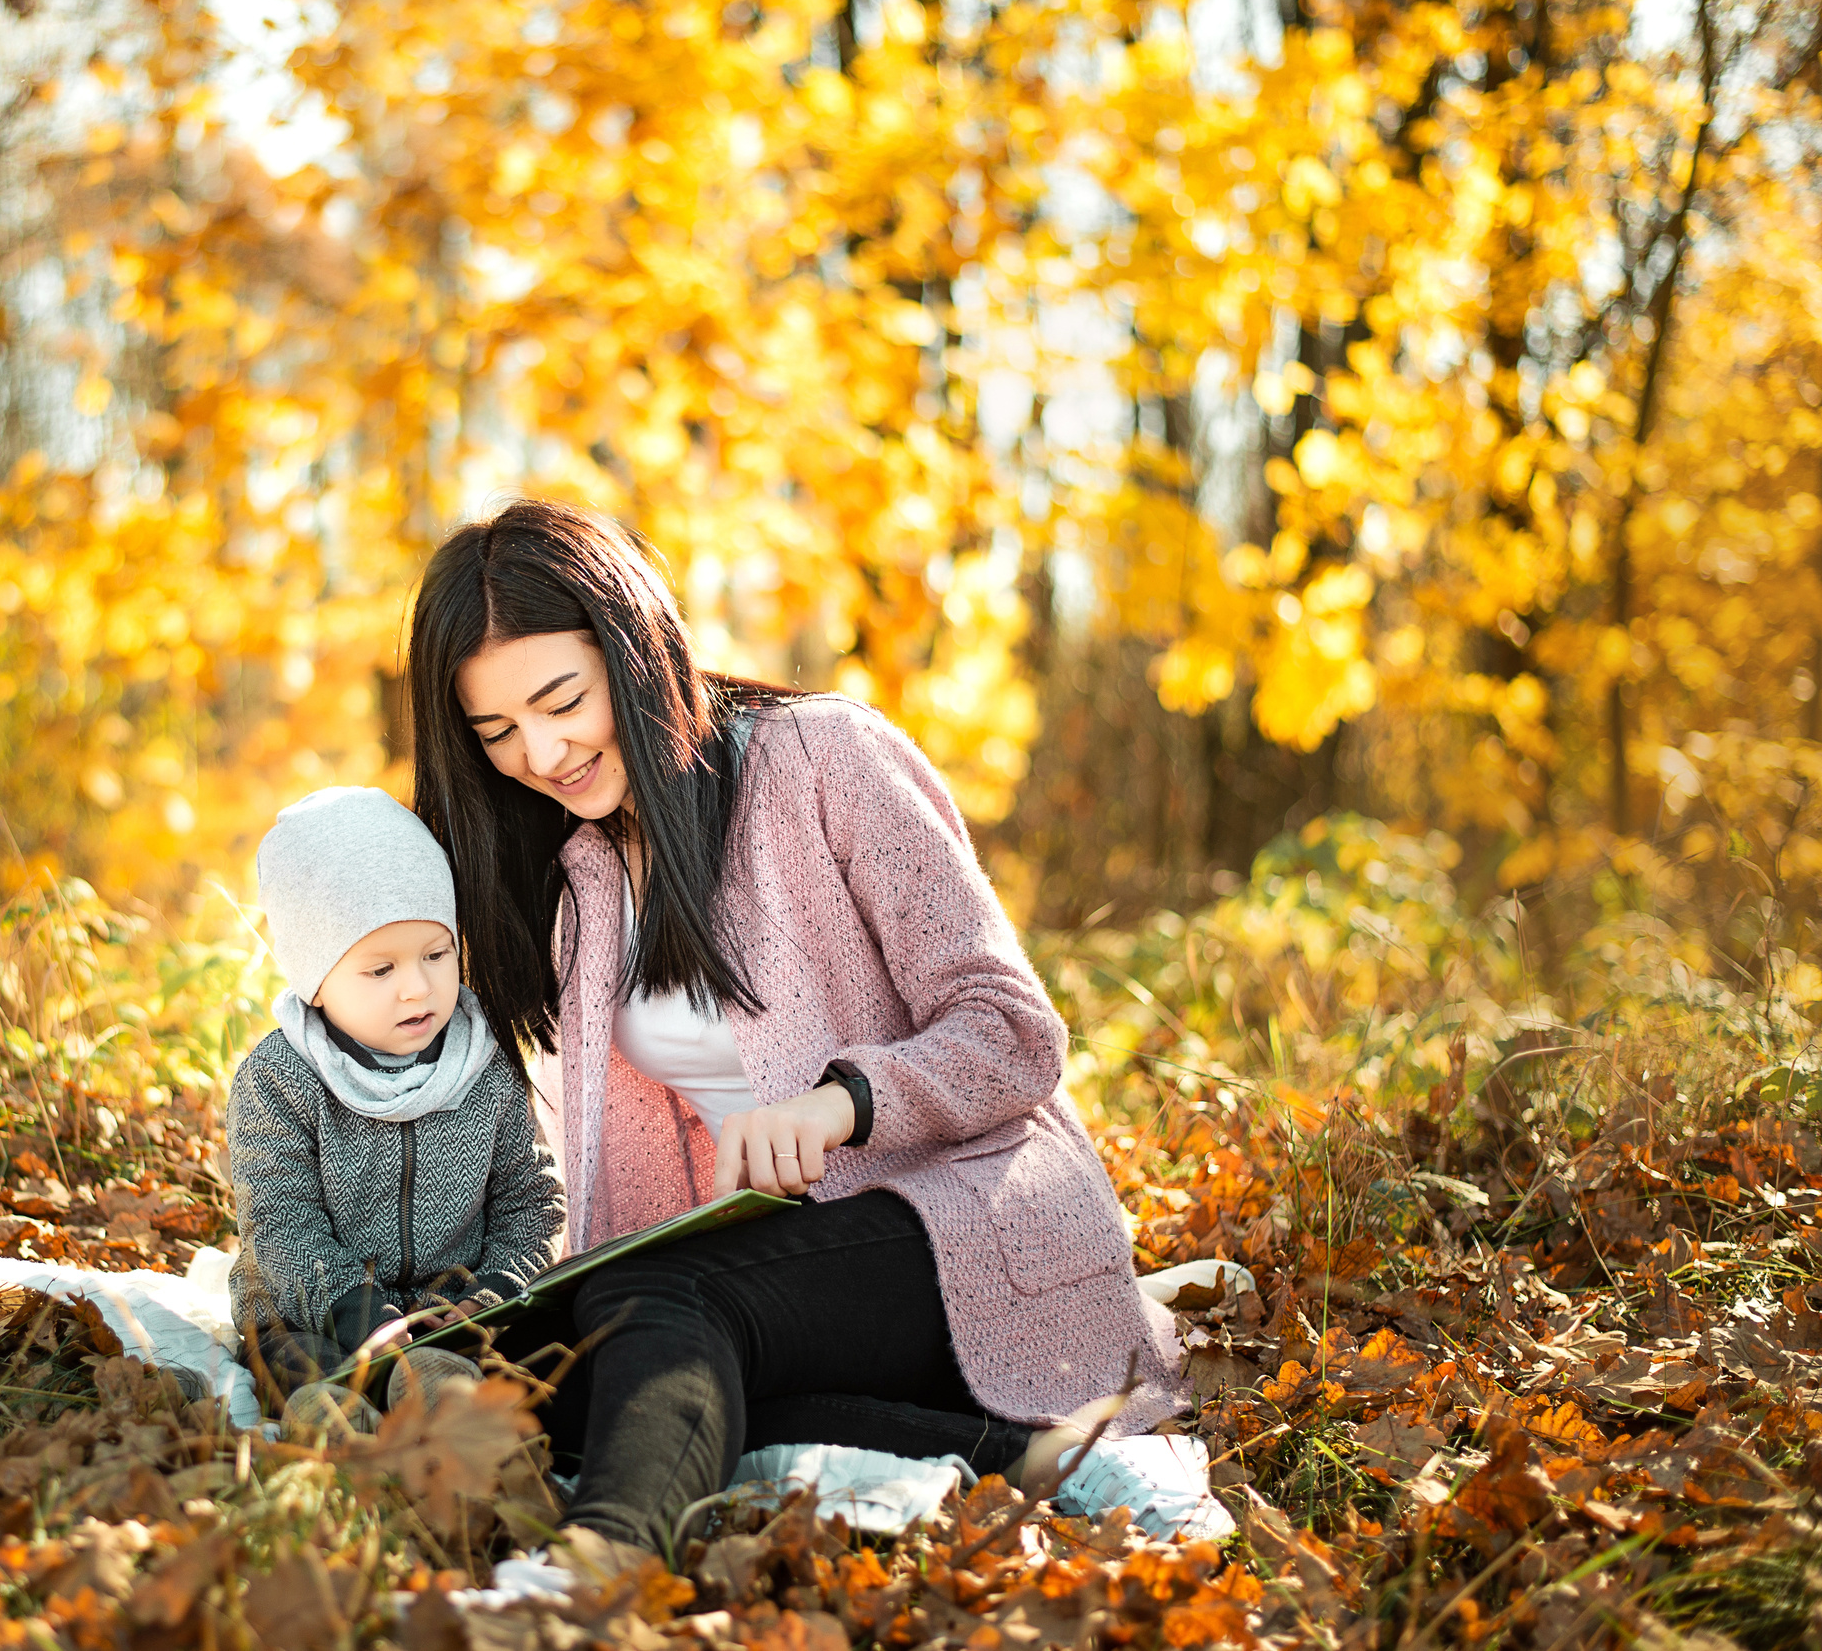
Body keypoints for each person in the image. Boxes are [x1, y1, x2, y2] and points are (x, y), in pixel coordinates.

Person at [406, 500, 1228, 1564]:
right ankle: (1021, 1456)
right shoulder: (583, 883)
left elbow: (1013, 1029)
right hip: (771, 1283)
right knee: (544, 1368)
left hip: (959, 1217)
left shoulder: (824, 758)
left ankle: (589, 1575)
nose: (543, 751)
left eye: (562, 700)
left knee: (655, 1306)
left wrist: (839, 1104)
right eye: (498, 733)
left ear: (634, 648)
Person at [225, 787, 565, 1430]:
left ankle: (445, 1406)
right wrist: (355, 1309)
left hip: (454, 1309)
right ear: (315, 979)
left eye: (436, 955)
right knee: (304, 1363)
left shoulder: (483, 1063)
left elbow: (531, 1197)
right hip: (311, 1309)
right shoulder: (279, 1079)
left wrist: (491, 1292)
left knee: (513, 1368)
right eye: (379, 970)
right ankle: (335, 1428)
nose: (417, 986)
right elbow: (279, 1220)